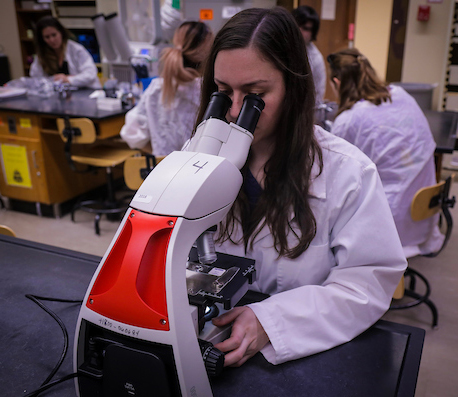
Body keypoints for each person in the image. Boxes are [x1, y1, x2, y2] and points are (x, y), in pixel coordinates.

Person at [193, 7, 407, 367]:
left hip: (300, 353)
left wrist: (273, 322)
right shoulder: (198, 155)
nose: (234, 111)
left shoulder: (347, 172)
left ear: (293, 87)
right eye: (223, 91)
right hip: (211, 336)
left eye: (256, 93)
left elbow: (366, 285)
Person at [327, 48, 444, 258]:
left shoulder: (349, 120)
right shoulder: (401, 95)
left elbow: (334, 175)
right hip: (425, 208)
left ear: (337, 83)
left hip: (392, 220)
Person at [120, 21, 213, 156]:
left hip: (162, 172)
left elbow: (131, 133)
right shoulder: (209, 90)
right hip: (199, 172)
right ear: (207, 48)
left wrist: (160, 152)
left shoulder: (156, 88)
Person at [30, 16, 101, 89]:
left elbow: (90, 74)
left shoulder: (76, 50)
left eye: (54, 35)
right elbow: (35, 79)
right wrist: (51, 80)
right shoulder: (41, 55)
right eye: (47, 37)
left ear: (61, 32)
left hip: (84, 92)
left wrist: (68, 79)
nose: (52, 40)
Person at [292, 5, 327, 108]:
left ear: (312, 33)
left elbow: (318, 93)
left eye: (306, 29)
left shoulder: (316, 58)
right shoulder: (276, 46)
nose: (300, 32)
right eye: (298, 25)